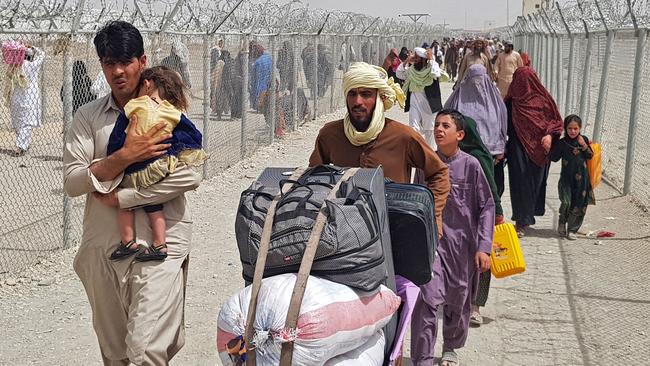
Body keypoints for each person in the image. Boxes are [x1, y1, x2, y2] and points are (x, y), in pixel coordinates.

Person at [63, 21, 201, 365]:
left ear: (142, 61)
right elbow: (73, 181)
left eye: (125, 62)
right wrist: (125, 156)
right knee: (115, 354)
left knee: (146, 352)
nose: (118, 71)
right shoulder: (89, 117)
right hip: (105, 249)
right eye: (109, 63)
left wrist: (123, 197)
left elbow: (189, 173)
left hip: (161, 245)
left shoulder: (165, 109)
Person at [309, 62, 450, 365]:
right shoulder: (330, 136)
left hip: (390, 246)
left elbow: (438, 174)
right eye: (352, 94)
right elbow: (312, 182)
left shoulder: (401, 137)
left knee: (389, 322)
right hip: (339, 247)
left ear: (379, 98)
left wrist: (432, 218)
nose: (358, 102)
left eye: (366, 94)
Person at [411, 109, 494, 366]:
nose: (438, 129)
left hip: (462, 248)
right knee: (426, 300)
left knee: (459, 299)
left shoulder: (471, 166)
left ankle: (451, 346)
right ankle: (422, 358)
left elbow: (487, 206)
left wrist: (483, 247)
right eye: (436, 125)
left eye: (445, 126)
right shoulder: (427, 165)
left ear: (459, 134)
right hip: (432, 245)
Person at [106, 66, 207, 262]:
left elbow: (118, 135)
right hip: (161, 166)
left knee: (124, 205)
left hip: (137, 168)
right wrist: (174, 149)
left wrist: (116, 154)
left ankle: (128, 242)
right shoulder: (171, 111)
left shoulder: (136, 105)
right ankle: (160, 244)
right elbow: (193, 134)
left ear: (146, 83)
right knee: (154, 204)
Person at [444, 64, 507, 223]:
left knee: (490, 187)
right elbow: (446, 117)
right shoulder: (458, 97)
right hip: (465, 153)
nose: (476, 84)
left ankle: (491, 214)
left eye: (480, 79)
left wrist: (501, 147)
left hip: (491, 153)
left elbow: (502, 121)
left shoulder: (494, 98)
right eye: (473, 79)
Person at [505, 66, 563, 237]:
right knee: (520, 183)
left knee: (535, 183)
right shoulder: (510, 102)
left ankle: (528, 215)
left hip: (539, 150)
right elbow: (503, 124)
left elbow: (557, 121)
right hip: (517, 149)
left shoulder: (544, 100)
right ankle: (521, 221)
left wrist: (550, 136)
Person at [550, 114, 595, 240]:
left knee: (579, 205)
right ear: (565, 128)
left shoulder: (583, 140)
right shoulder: (562, 143)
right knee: (566, 202)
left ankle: (572, 230)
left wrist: (584, 145)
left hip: (582, 181)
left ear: (580, 128)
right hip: (566, 179)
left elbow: (590, 155)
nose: (573, 131)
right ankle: (562, 222)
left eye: (576, 128)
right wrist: (550, 145)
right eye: (570, 128)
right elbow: (554, 158)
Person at [396, 47, 443, 148]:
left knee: (429, 130)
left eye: (417, 58)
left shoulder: (431, 68)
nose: (415, 59)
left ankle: (431, 153)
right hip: (414, 103)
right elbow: (399, 74)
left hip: (429, 104)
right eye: (415, 57)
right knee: (413, 128)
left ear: (423, 59)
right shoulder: (412, 70)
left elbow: (435, 73)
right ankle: (417, 152)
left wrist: (431, 59)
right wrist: (407, 60)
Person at [8, 44, 44, 156]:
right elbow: (42, 55)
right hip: (29, 97)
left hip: (17, 97)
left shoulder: (14, 66)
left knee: (19, 122)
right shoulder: (32, 66)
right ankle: (20, 146)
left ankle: (24, 144)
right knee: (28, 123)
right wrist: (34, 47)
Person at [249, 42, 272, 112]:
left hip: (259, 80)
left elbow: (253, 74)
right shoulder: (268, 57)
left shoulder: (257, 61)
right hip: (268, 79)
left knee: (258, 91)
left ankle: (259, 106)